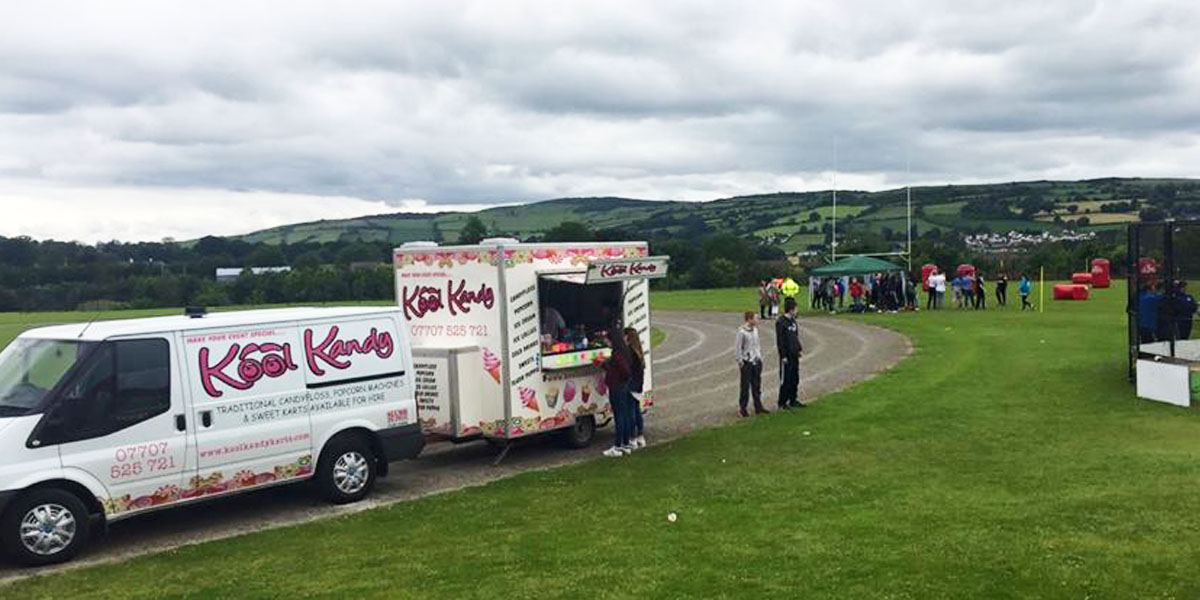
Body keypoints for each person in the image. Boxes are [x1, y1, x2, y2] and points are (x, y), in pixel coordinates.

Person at [597, 328, 634, 457]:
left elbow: (623, 371)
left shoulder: (617, 353)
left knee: (619, 416)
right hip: (622, 386)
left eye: (607, 339)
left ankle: (618, 446)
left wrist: (614, 376)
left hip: (617, 387)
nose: (606, 342)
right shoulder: (623, 351)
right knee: (623, 415)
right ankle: (625, 443)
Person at [734, 312, 769, 417]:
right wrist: (740, 362)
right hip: (747, 362)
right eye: (756, 318)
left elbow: (757, 345)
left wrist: (759, 357)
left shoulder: (755, 331)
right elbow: (738, 348)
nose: (757, 320)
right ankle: (743, 409)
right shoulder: (742, 332)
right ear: (749, 319)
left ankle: (758, 406)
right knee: (745, 387)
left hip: (756, 361)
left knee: (756, 385)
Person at [775, 297, 803, 409]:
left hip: (794, 354)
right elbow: (780, 341)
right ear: (791, 309)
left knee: (795, 378)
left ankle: (793, 399)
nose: (797, 311)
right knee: (786, 379)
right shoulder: (781, 322)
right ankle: (782, 402)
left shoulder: (793, 321)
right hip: (787, 356)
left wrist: (798, 349)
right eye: (796, 309)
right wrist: (783, 355)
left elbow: (795, 337)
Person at [624, 327, 647, 448]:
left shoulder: (630, 352)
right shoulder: (638, 352)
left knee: (631, 412)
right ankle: (640, 435)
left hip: (632, 385)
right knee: (637, 411)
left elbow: (628, 370)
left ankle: (632, 437)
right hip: (638, 385)